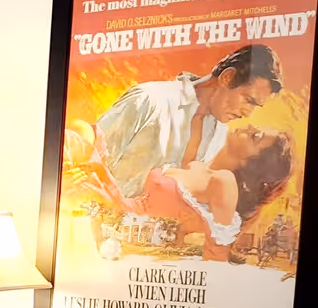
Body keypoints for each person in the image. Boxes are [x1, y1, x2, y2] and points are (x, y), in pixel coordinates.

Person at [91, 44, 283, 202]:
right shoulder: (150, 100)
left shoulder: (220, 134)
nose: (248, 113)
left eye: (255, 106)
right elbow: (88, 158)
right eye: (248, 100)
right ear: (227, 77)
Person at [136, 124, 295, 260]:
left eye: (256, 136)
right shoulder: (197, 165)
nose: (250, 126)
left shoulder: (222, 183)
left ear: (251, 163)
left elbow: (215, 256)